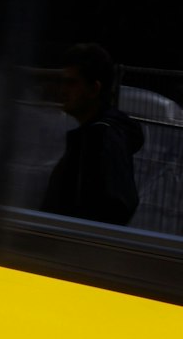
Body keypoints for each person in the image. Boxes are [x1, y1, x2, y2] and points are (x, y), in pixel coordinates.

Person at [42, 41, 144, 225]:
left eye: (72, 83)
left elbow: (116, 207)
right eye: (62, 82)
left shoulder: (102, 138)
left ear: (94, 89)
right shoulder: (97, 135)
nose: (63, 90)